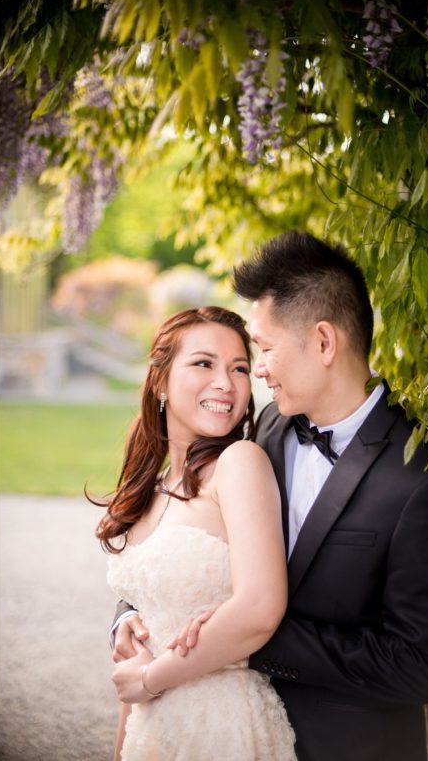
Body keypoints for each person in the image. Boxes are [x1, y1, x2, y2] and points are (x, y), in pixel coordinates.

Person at [114, 232, 428, 761]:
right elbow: (194, 543)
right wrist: (130, 617)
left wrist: (253, 640)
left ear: (324, 343)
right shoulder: (269, 429)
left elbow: (423, 666)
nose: (255, 371)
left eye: (263, 349)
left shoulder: (424, 478)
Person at [98, 306, 296, 761]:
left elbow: (260, 609)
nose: (225, 383)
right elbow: (143, 636)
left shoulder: (240, 463)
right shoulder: (149, 489)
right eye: (204, 363)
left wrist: (151, 679)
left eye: (239, 368)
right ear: (160, 381)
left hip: (222, 725)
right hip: (151, 727)